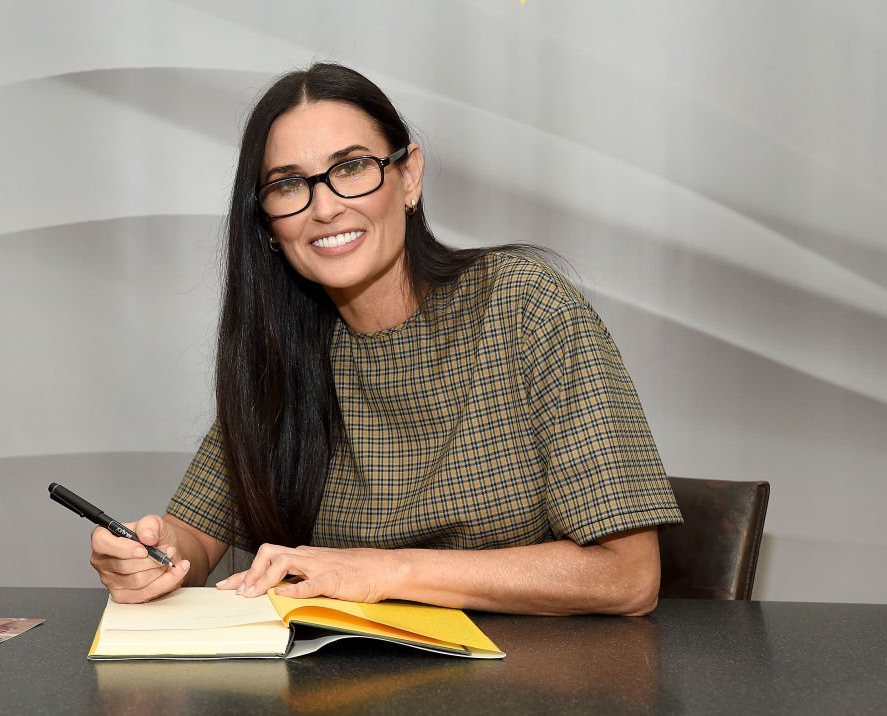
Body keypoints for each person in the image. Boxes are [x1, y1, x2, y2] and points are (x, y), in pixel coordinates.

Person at [90, 63, 682, 615]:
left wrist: (382, 572)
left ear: (409, 176)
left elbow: (628, 577)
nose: (324, 207)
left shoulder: (523, 304)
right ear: (268, 225)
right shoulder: (281, 351)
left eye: (349, 167)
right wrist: (154, 555)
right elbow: (195, 537)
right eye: (289, 185)